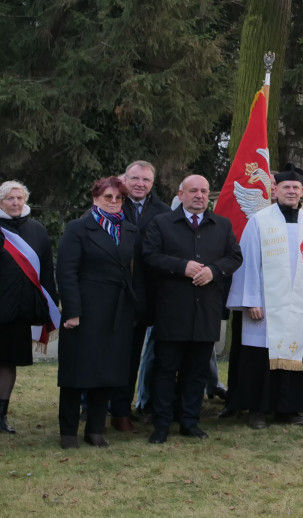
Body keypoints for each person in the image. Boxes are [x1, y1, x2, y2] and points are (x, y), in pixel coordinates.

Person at [227, 164, 303, 429]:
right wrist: (251, 300)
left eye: (296, 187)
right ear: (275, 190)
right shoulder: (259, 221)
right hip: (265, 304)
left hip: (297, 304)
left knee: (293, 355)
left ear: (302, 192)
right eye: (286, 187)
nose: (291, 191)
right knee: (260, 358)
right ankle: (258, 410)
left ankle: (289, 409)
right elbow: (248, 261)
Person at [142, 175, 242, 444]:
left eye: (204, 191)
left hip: (206, 310)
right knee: (165, 370)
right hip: (172, 310)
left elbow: (235, 257)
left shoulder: (221, 225)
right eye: (193, 191)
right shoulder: (162, 223)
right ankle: (162, 424)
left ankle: (189, 422)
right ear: (181, 194)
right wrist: (181, 267)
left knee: (197, 371)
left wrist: (214, 271)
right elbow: (149, 256)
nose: (199, 195)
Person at [56, 176, 140, 448]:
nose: (114, 202)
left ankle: (94, 430)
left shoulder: (128, 229)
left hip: (117, 311)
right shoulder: (78, 228)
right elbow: (66, 271)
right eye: (108, 197)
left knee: (107, 371)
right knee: (76, 373)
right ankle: (68, 433)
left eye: (119, 198)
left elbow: (130, 271)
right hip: (84, 309)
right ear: (95, 198)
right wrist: (72, 311)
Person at [0, 182, 58, 435]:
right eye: (10, 198)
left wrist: (51, 303)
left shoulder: (37, 230)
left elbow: (46, 270)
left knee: (10, 362)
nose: (16, 203)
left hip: (21, 310)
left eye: (19, 198)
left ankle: (0, 418)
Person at [115, 159, 171, 431]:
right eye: (135, 178)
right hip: (112, 294)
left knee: (133, 357)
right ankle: (92, 405)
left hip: (145, 297)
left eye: (146, 180)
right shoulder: (112, 204)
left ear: (152, 183)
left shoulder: (163, 213)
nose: (140, 184)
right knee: (106, 355)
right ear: (124, 179)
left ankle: (124, 409)